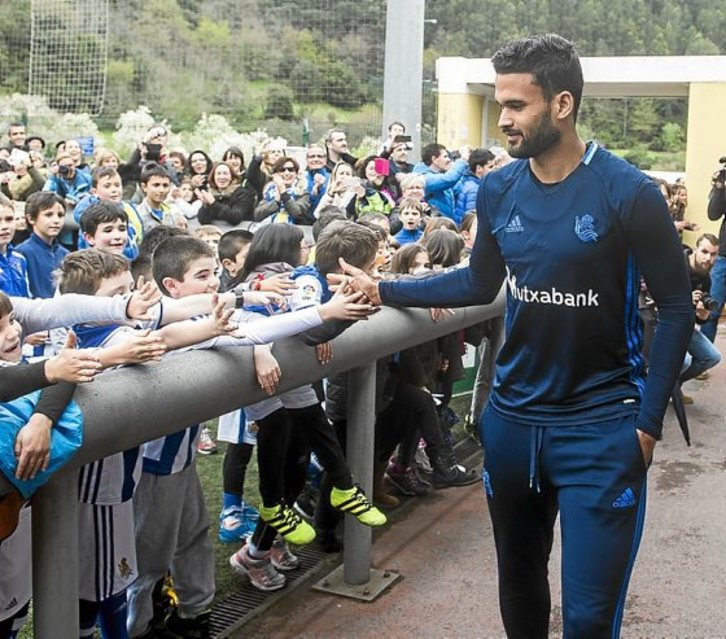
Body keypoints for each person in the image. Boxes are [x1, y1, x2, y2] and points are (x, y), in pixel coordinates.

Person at [335, 33, 693, 638]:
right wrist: (385, 290)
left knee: (588, 619)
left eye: (517, 105)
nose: (503, 119)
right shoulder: (499, 188)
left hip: (602, 428)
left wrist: (647, 424)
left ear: (562, 104)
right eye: (501, 104)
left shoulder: (628, 192)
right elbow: (478, 283)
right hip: (513, 425)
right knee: (520, 595)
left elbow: (678, 310)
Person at [679, 233, 721, 399]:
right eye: (704, 251)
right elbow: (657, 299)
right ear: (695, 249)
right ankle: (662, 388)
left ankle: (673, 387)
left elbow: (699, 319)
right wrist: (684, 300)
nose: (708, 258)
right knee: (684, 361)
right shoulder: (677, 265)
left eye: (713, 254)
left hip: (686, 326)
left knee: (712, 357)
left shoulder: (706, 278)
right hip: (663, 323)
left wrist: (702, 315)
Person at [15, 192, 69, 299]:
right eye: (48, 215)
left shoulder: (66, 254)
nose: (56, 220)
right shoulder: (22, 253)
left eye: (60, 215)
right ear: (31, 218)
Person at [412, 142, 470, 224]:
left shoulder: (440, 174)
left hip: (446, 223)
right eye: (445, 157)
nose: (448, 160)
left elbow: (457, 187)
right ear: (434, 159)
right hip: (434, 225)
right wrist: (463, 160)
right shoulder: (423, 177)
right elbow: (449, 179)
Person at [701, 166, 726, 342]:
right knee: (712, 308)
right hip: (723, 257)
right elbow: (713, 214)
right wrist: (719, 186)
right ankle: (705, 354)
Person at [455, 148, 496, 222]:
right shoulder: (474, 190)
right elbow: (472, 219)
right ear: (479, 168)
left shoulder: (468, 182)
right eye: (490, 167)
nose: (494, 170)